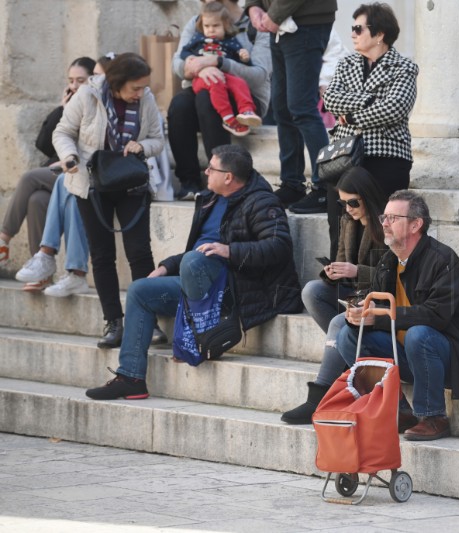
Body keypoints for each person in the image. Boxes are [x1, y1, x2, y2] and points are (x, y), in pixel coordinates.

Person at [85, 144, 303, 400]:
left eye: (212, 168)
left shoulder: (262, 201)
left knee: (192, 262)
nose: (206, 171)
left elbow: (279, 246)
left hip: (241, 290)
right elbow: (200, 248)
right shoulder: (210, 198)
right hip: (201, 281)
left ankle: (201, 338)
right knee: (139, 290)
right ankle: (130, 377)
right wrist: (166, 266)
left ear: (228, 177)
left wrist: (229, 251)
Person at [336, 190, 459, 441]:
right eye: (384, 217)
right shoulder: (388, 261)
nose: (385, 224)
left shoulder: (442, 259)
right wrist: (359, 314)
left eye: (393, 218)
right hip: (410, 356)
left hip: (454, 357)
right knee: (347, 334)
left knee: (418, 334)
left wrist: (378, 318)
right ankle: (399, 410)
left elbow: (436, 316)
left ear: (415, 225)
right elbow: (377, 306)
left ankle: (433, 416)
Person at [52, 52, 164, 349]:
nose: (139, 93)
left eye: (142, 88)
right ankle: (114, 322)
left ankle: (147, 322)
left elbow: (157, 139)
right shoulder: (88, 95)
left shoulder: (146, 99)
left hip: (131, 181)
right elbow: (62, 132)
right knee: (102, 255)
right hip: (92, 183)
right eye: (134, 88)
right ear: (116, 84)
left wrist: (142, 146)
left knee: (139, 252)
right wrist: (69, 157)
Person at [281, 166, 388, 424]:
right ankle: (343, 349)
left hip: (379, 299)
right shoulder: (347, 221)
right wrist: (333, 271)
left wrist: (356, 270)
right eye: (343, 202)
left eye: (353, 202)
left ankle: (317, 398)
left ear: (367, 197)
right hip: (354, 292)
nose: (348, 208)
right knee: (312, 291)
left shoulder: (386, 223)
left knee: (338, 322)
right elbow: (342, 261)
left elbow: (391, 275)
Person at [321, 3, 418, 257]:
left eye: (358, 28)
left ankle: (379, 286)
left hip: (386, 157)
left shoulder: (404, 67)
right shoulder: (346, 64)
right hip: (345, 158)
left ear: (379, 34)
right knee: (339, 226)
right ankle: (339, 284)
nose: (352, 33)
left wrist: (350, 115)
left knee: (383, 228)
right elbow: (330, 100)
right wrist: (369, 100)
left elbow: (394, 109)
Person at [0, 57, 95, 286]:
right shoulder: (69, 107)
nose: (74, 86)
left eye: (80, 80)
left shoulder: (94, 108)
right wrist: (62, 109)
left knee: (29, 178)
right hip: (58, 173)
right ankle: (43, 273)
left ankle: (3, 238)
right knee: (37, 200)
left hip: (78, 173)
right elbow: (43, 144)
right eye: (71, 80)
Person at [170, 0, 271, 200]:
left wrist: (219, 63)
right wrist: (202, 67)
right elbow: (179, 63)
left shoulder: (256, 22)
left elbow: (260, 73)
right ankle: (189, 182)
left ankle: (219, 181)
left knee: (207, 100)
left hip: (245, 96)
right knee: (179, 105)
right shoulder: (198, 21)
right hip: (202, 84)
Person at [245, 0, 336, 212]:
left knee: (302, 107)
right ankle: (291, 183)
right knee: (283, 107)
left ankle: (324, 188)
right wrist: (254, 6)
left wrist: (273, 14)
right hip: (278, 23)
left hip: (305, 21)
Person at [180, 1, 263, 137]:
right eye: (207, 26)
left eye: (216, 26)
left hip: (226, 76)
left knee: (239, 83)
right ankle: (228, 118)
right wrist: (192, 61)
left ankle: (247, 110)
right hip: (202, 78)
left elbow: (240, 60)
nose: (211, 30)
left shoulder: (229, 41)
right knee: (215, 84)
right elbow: (184, 53)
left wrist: (244, 57)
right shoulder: (198, 39)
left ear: (225, 26)